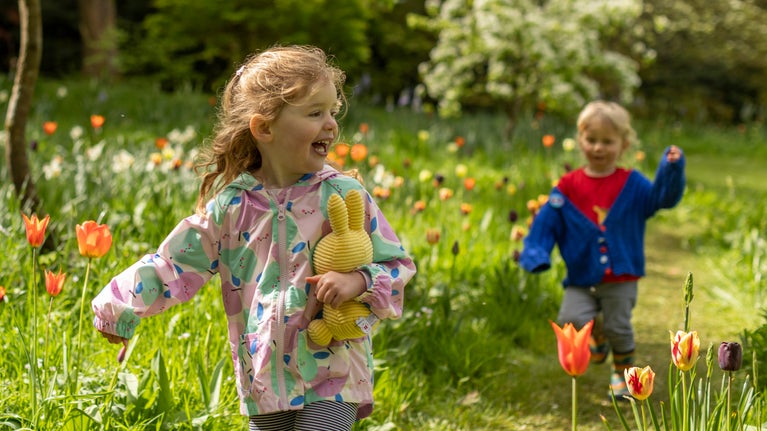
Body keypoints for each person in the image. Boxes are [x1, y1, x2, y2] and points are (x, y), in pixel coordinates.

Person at [92, 45, 416, 430]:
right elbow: (172, 264)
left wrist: (358, 280)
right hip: (263, 373)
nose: (331, 124)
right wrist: (117, 307)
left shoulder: (343, 195)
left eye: (332, 111)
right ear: (264, 128)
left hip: (334, 370)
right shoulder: (232, 206)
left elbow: (397, 265)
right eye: (315, 113)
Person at [518, 100, 685, 399]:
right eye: (591, 140)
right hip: (581, 276)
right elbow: (545, 224)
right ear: (580, 140)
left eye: (607, 141)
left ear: (624, 144)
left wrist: (671, 169)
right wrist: (536, 254)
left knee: (620, 327)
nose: (598, 148)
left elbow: (662, 198)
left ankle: (623, 374)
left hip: (622, 276)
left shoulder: (633, 184)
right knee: (572, 320)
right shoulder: (568, 187)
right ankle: (597, 335)